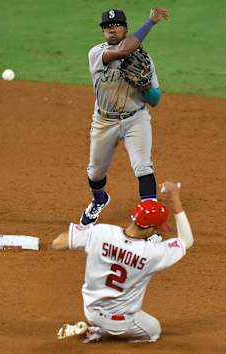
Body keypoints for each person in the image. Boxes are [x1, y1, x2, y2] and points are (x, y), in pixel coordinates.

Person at [53, 181, 194, 343]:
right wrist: (176, 202)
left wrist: (92, 243)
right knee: (154, 331)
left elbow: (58, 243)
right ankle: (97, 332)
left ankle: (96, 327)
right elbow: (186, 241)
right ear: (149, 229)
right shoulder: (152, 253)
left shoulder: (101, 232)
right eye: (156, 228)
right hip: (120, 321)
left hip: (90, 310)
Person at [79, 8, 169, 226]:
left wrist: (146, 86)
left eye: (117, 25)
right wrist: (150, 22)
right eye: (107, 26)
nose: (111, 29)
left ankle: (150, 221)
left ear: (126, 29)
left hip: (135, 120)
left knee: (143, 167)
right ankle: (100, 199)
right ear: (103, 32)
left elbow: (155, 100)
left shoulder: (145, 58)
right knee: (95, 172)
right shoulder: (97, 53)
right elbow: (122, 51)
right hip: (104, 121)